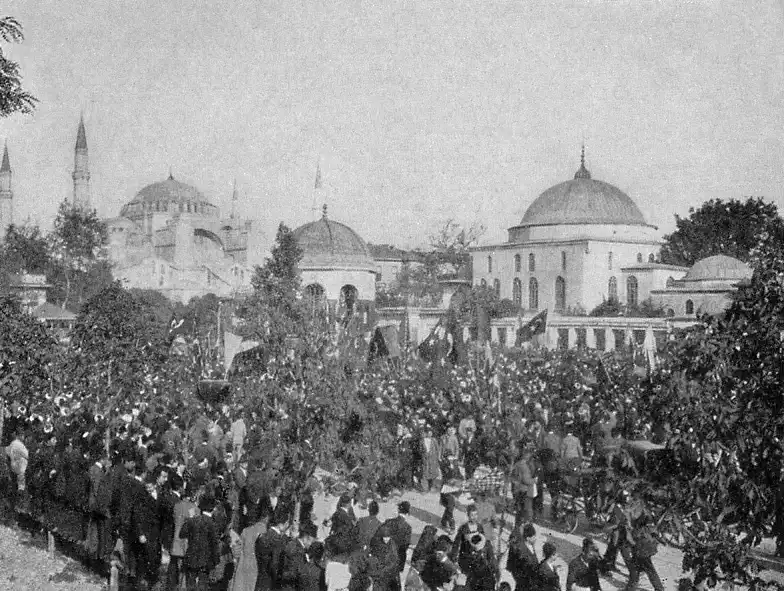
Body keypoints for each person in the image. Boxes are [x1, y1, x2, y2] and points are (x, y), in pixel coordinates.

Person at [180, 496, 221, 591]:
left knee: (190, 584)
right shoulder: (212, 523)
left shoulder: (192, 520)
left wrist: (189, 519)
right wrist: (216, 561)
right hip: (206, 559)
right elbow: (214, 544)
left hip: (191, 557)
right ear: (213, 509)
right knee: (203, 584)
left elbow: (182, 534)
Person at [168, 481, 198, 591]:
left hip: (176, 542)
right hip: (186, 543)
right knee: (186, 572)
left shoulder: (176, 505)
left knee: (177, 568)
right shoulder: (193, 508)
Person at [229, 512, 268, 591]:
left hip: (244, 569)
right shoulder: (268, 533)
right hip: (258, 571)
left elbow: (236, 552)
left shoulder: (246, 531)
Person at [625, 514, 663, 591]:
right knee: (636, 570)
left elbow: (632, 541)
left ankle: (659, 588)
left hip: (641, 552)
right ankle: (630, 588)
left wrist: (628, 532)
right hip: (644, 552)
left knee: (645, 570)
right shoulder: (650, 528)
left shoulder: (638, 531)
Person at [599, 491, 633, 575]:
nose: (628, 499)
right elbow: (614, 519)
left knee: (614, 549)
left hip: (621, 530)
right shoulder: (616, 506)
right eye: (626, 498)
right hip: (616, 530)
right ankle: (604, 569)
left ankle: (609, 566)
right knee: (614, 549)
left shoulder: (623, 506)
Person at [255, 511, 289, 591]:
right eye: (287, 523)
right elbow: (275, 564)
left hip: (260, 579)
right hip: (270, 583)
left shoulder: (262, 536)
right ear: (282, 524)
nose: (287, 525)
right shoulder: (277, 540)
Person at [374, 501, 412, 574]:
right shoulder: (408, 528)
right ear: (407, 513)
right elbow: (405, 546)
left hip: (384, 556)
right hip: (397, 560)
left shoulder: (389, 522)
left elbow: (378, 536)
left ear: (398, 510)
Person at [280, 522, 319, 591]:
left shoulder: (292, 544)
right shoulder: (297, 551)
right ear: (307, 538)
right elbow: (294, 573)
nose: (311, 545)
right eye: (312, 541)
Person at [450, 504, 483, 571]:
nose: (474, 517)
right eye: (472, 515)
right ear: (468, 516)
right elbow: (456, 544)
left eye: (476, 514)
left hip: (477, 557)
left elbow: (483, 542)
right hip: (465, 558)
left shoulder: (479, 527)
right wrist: (454, 560)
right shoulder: (464, 528)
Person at [507, 523, 538, 591]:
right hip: (524, 585)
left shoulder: (530, 546)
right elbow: (514, 569)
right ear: (528, 538)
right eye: (534, 536)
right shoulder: (520, 550)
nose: (536, 538)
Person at [368, 525, 400, 591]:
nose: (386, 539)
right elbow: (373, 557)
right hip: (379, 574)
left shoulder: (393, 545)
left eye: (388, 537)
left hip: (389, 573)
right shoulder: (377, 544)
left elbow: (395, 560)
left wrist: (387, 567)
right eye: (384, 537)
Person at [511, 448, 536, 527]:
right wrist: (534, 480)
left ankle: (518, 525)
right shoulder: (524, 466)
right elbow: (526, 480)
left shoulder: (517, 464)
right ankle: (527, 526)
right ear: (527, 456)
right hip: (525, 490)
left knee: (519, 509)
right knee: (527, 509)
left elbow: (512, 476)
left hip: (517, 489)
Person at [421, 426, 441, 492]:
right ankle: (425, 488)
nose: (430, 434)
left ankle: (432, 486)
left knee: (433, 473)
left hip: (433, 459)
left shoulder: (434, 440)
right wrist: (423, 455)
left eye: (431, 433)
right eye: (428, 433)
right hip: (426, 459)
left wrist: (438, 457)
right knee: (425, 473)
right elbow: (421, 450)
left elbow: (437, 449)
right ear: (426, 433)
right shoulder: (423, 440)